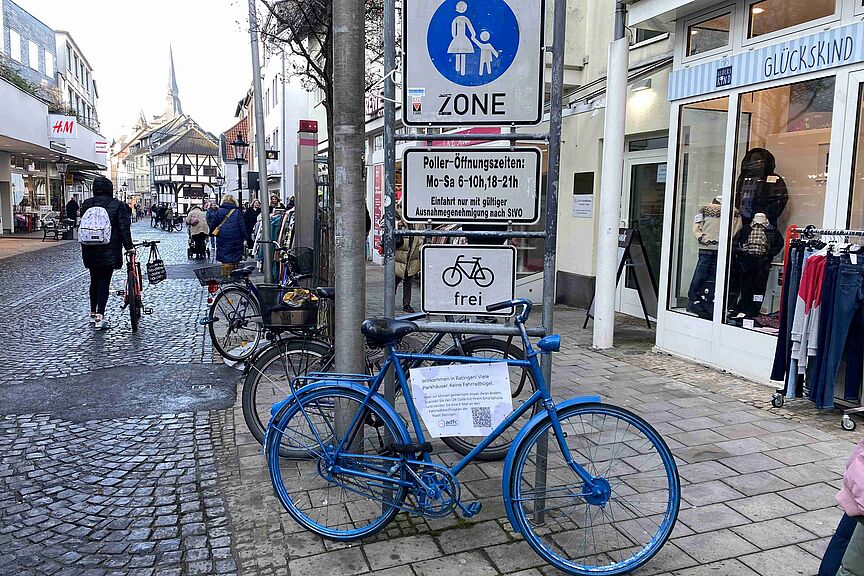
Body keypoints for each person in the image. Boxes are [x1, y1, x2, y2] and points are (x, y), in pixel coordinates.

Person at [79, 177, 133, 330]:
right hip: (109, 248)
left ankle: (92, 312)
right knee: (104, 281)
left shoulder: (87, 204)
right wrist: (129, 247)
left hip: (89, 248)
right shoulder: (117, 205)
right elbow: (124, 228)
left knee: (94, 279)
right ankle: (100, 316)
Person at [395, 204, 422, 313]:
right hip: (400, 253)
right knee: (396, 279)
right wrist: (398, 224)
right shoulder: (397, 211)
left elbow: (421, 232)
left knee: (409, 279)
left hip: (412, 252)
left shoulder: (418, 213)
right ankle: (389, 301)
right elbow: (383, 223)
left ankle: (407, 304)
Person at [213, 194, 247, 264]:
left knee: (224, 255)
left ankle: (226, 272)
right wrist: (246, 237)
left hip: (223, 235)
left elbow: (214, 223)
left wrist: (211, 233)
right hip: (236, 236)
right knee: (235, 256)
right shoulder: (237, 212)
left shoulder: (219, 211)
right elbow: (242, 226)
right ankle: (235, 271)